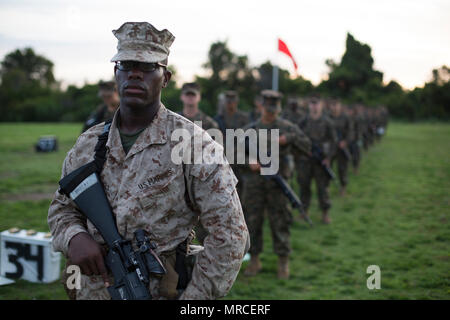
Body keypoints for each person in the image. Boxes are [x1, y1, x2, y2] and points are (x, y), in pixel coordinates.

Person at [48, 21, 249, 300]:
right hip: (91, 290)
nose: (134, 75)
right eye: (127, 65)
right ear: (115, 73)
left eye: (147, 68)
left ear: (165, 78)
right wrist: (73, 236)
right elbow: (62, 208)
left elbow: (230, 236)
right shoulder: (88, 144)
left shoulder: (194, 145)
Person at [242, 90, 311, 279]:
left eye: (274, 108)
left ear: (279, 108)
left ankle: (283, 262)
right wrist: (248, 162)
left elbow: (307, 147)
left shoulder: (288, 128)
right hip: (255, 185)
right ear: (260, 106)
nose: (270, 112)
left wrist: (288, 139)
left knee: (281, 222)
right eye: (267, 108)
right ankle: (254, 260)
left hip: (278, 186)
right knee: (253, 222)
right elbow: (231, 154)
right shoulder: (249, 129)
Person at [298, 95, 337, 224]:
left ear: (321, 105)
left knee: (322, 188)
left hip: (321, 160)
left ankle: (325, 213)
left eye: (317, 103)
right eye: (312, 103)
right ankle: (304, 212)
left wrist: (329, 157)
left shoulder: (327, 122)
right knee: (304, 187)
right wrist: (303, 150)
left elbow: (333, 141)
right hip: (305, 160)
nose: (314, 106)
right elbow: (297, 138)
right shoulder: (303, 121)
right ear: (309, 105)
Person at [329, 99, 353, 196]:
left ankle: (343, 187)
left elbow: (351, 131)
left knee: (342, 168)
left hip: (341, 146)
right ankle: (327, 187)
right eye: (333, 105)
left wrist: (345, 141)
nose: (334, 107)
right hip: (330, 147)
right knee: (327, 167)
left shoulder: (345, 117)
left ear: (340, 106)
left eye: (336, 105)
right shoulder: (327, 117)